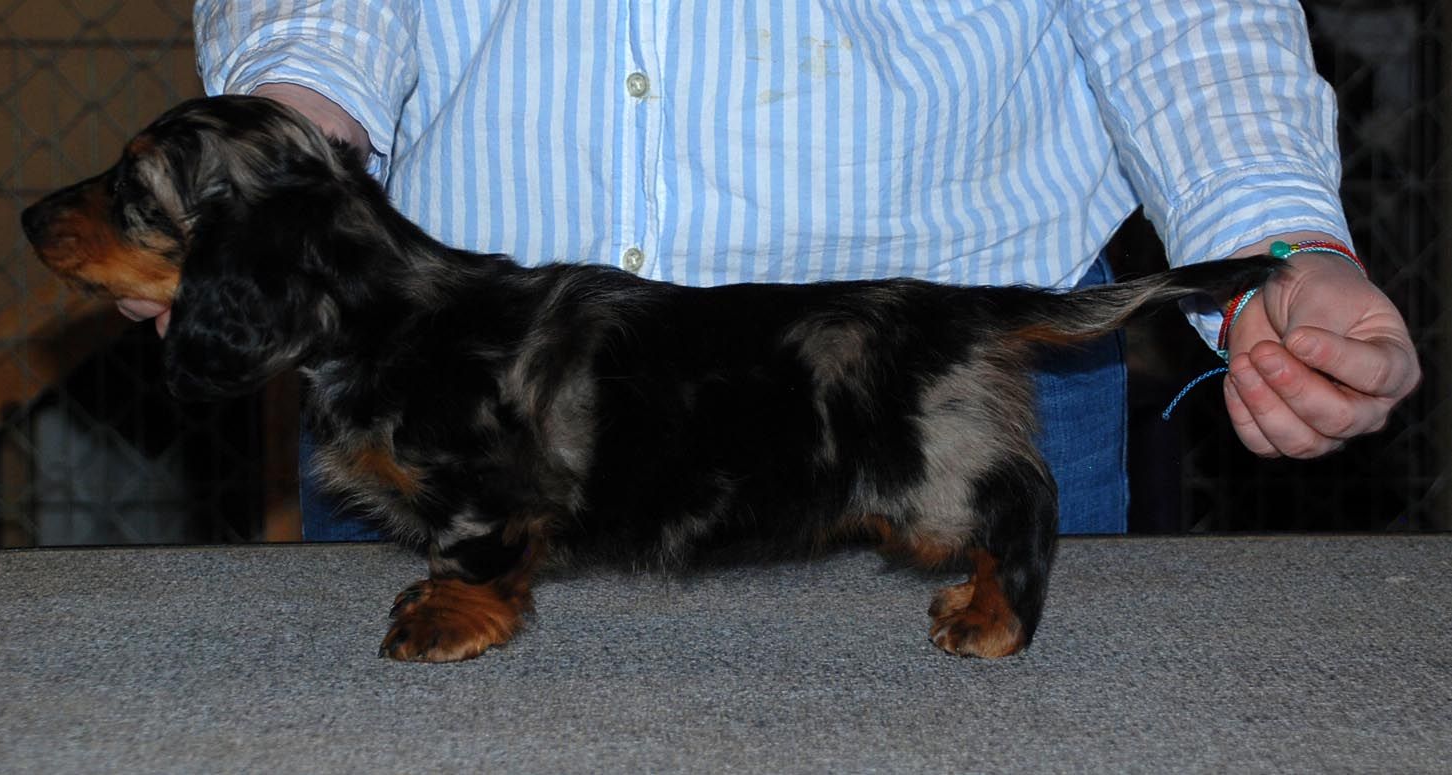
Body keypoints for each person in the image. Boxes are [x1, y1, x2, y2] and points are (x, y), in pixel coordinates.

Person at [121, 0, 1418, 539]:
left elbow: (1176, 15)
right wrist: (276, 160)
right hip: (452, 399)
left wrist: (1279, 243)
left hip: (936, 397)